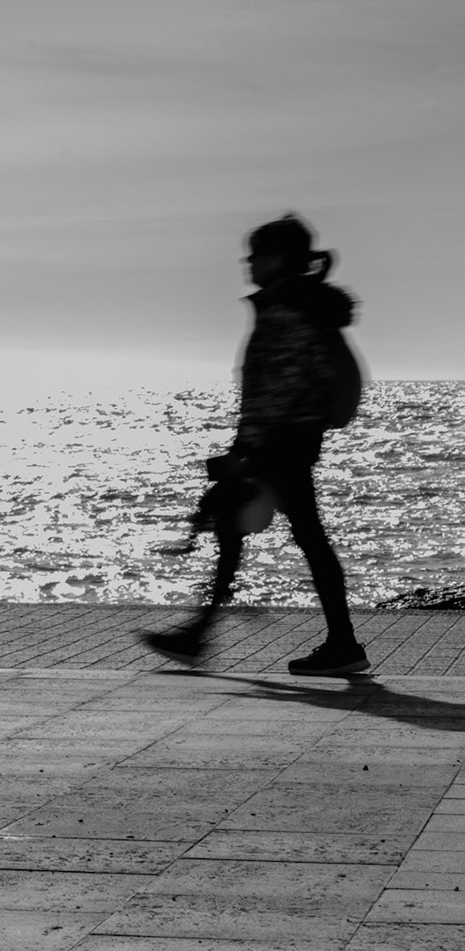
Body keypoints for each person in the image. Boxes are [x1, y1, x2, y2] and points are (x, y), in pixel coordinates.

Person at [143, 213, 366, 675]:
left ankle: (339, 645)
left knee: (287, 536)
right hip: (288, 442)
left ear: (279, 259)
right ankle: (200, 635)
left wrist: (246, 450)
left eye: (256, 254)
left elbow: (275, 389)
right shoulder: (300, 305)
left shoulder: (287, 309)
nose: (247, 262)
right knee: (270, 533)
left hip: (278, 445)